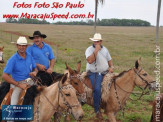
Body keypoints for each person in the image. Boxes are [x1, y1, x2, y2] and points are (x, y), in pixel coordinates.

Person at [85, 33, 114, 120]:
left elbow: (110, 60)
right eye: (95, 41)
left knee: (115, 84)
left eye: (98, 41)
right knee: (97, 89)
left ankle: (111, 106)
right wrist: (96, 50)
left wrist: (111, 67)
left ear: (101, 41)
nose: (96, 43)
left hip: (105, 72)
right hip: (94, 73)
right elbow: (90, 61)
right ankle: (97, 109)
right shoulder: (89, 49)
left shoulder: (105, 49)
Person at [2, 37, 38, 105]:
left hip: (30, 81)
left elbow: (34, 67)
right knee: (14, 105)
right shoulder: (13, 59)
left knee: (41, 95)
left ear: (26, 46)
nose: (22, 47)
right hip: (17, 83)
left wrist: (35, 72)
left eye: (23, 45)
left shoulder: (29, 56)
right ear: (17, 46)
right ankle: (13, 114)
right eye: (20, 45)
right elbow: (4, 75)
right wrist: (19, 84)